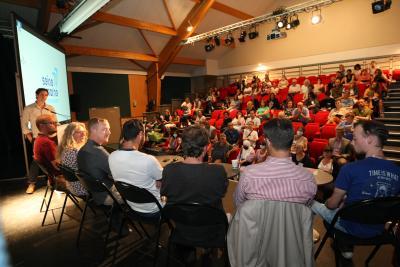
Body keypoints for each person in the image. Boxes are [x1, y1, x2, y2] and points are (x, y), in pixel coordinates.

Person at [311, 120, 400, 258]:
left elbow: (331, 205)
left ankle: (305, 242)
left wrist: (331, 203)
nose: (352, 142)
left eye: (355, 138)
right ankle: (345, 246)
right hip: (378, 230)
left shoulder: (350, 169)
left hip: (348, 227)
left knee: (309, 201)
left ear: (369, 139)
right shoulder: (397, 171)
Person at [161, 125, 228, 247]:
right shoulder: (218, 171)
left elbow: (165, 195)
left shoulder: (168, 171)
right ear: (205, 148)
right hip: (211, 231)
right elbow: (222, 193)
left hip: (181, 229)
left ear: (183, 145)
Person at [234, 118, 316, 207]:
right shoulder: (308, 179)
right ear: (291, 141)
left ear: (268, 142)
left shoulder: (248, 174)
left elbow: (238, 204)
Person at [109, 119, 163, 217]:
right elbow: (164, 180)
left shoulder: (111, 156)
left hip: (132, 207)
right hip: (154, 209)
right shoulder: (148, 160)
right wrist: (159, 180)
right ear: (140, 134)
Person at [21, 88, 56, 194]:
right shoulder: (29, 108)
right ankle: (31, 183)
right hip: (38, 138)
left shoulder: (50, 108)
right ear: (36, 95)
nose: (44, 96)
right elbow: (24, 124)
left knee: (51, 159)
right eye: (41, 94)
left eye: (46, 95)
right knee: (37, 160)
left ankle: (52, 181)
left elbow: (55, 122)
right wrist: (29, 135)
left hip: (51, 137)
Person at [77, 118, 117, 205]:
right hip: (107, 196)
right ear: (93, 130)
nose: (109, 132)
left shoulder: (82, 150)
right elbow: (118, 173)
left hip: (95, 195)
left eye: (109, 129)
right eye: (105, 129)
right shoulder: (97, 151)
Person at [57, 122, 88, 196]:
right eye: (79, 132)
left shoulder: (66, 148)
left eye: (84, 132)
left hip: (72, 186)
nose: (83, 135)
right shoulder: (74, 151)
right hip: (81, 188)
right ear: (70, 135)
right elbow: (87, 171)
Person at [33, 114, 61, 180]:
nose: (56, 125)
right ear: (42, 125)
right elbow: (57, 167)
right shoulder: (46, 142)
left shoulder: (38, 139)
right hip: (59, 178)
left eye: (55, 122)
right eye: (52, 123)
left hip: (52, 176)